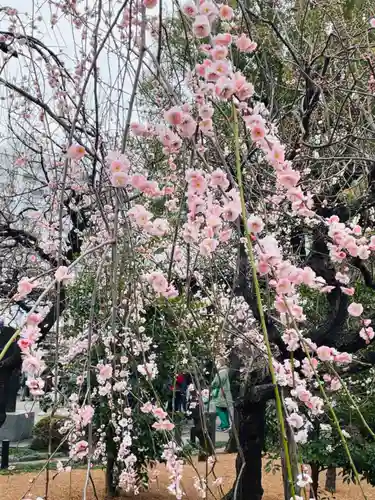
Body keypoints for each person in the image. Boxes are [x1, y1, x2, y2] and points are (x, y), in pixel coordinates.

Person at [211, 358, 233, 432]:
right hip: (223, 392)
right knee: (223, 409)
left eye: (217, 363)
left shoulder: (222, 372)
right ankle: (225, 424)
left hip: (222, 393)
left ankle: (224, 425)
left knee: (220, 409)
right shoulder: (225, 371)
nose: (216, 365)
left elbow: (217, 382)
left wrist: (212, 384)